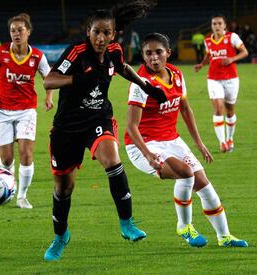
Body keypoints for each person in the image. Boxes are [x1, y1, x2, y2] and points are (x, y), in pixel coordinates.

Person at [42, 1, 162, 262]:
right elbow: (49, 80)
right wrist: (77, 80)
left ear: (113, 33)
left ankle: (127, 223)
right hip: (67, 127)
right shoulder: (75, 53)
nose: (100, 37)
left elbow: (122, 68)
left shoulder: (115, 52)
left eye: (106, 32)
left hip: (98, 118)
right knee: (64, 188)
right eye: (96, 31)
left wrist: (147, 86)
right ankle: (61, 236)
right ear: (89, 31)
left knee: (112, 160)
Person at [125, 32, 248, 248]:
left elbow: (185, 109)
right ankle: (184, 226)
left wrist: (199, 143)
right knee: (185, 172)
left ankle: (225, 237)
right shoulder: (141, 83)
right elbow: (131, 127)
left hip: (172, 140)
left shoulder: (177, 74)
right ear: (143, 57)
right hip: (143, 145)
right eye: (148, 54)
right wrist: (148, 154)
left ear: (168, 53)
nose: (154, 58)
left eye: (158, 52)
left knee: (204, 185)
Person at [0, 13, 54, 209]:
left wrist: (49, 97)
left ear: (28, 32)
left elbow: (49, 78)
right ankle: (7, 187)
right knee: (7, 158)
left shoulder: (37, 56)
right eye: (13, 30)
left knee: (26, 154)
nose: (16, 33)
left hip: (26, 110)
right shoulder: (0, 53)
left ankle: (22, 196)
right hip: (1, 110)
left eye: (20, 30)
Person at [194, 14, 248, 153]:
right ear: (211, 26)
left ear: (224, 25)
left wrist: (232, 59)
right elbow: (208, 55)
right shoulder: (208, 41)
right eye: (214, 24)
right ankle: (222, 142)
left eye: (219, 23)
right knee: (218, 109)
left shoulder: (232, 37)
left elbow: (244, 52)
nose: (216, 26)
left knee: (230, 111)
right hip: (213, 79)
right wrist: (201, 64)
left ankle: (230, 138)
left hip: (231, 79)